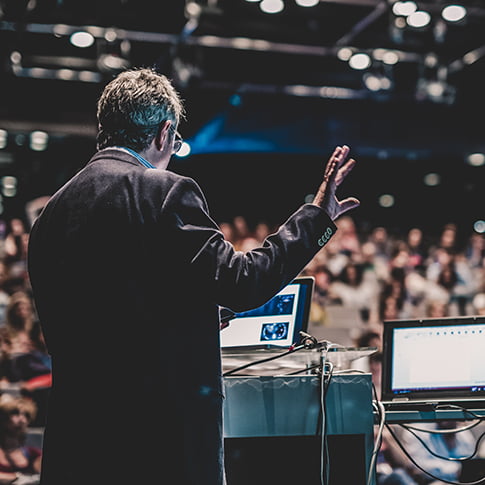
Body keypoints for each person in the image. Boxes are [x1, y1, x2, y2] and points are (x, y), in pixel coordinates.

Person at [26, 67, 360, 485]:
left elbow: (102, 313)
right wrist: (317, 217)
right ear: (165, 133)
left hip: (77, 441)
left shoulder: (51, 213)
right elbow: (244, 282)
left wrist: (191, 313)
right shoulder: (162, 189)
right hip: (157, 441)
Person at [0, 394, 41, 485]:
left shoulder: (32, 454)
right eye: (15, 413)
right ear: (3, 417)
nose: (22, 419)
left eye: (26, 415)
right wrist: (16, 477)